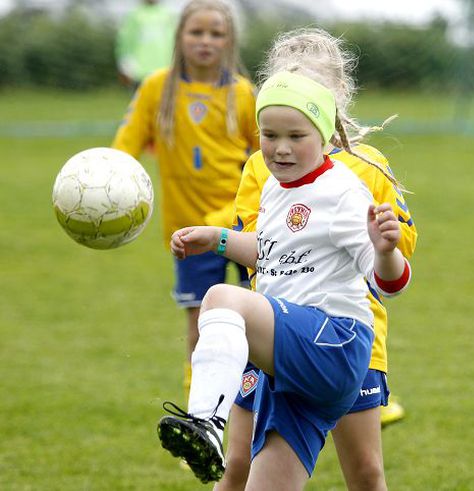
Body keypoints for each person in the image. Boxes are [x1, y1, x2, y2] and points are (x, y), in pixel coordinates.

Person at [157, 70, 412, 488]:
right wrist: (217, 239)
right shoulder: (278, 186)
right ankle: (207, 423)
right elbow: (272, 253)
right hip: (294, 365)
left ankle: (205, 421)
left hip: (335, 342)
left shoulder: (343, 193)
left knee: (223, 297)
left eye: (296, 136)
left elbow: (391, 284)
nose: (280, 148)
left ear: (327, 135)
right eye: (269, 135)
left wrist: (386, 251)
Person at [214, 27, 418, 491]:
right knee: (238, 463)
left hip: (351, 339)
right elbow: (262, 255)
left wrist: (382, 245)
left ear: (338, 96)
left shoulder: (367, 167)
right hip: (277, 327)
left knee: (365, 472)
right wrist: (218, 240)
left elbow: (398, 255)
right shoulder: (263, 167)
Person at [112, 0, 259, 400]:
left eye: (217, 33)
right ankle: (199, 419)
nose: (206, 41)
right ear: (180, 37)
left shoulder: (243, 94)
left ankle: (258, 411)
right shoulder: (157, 89)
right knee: (200, 323)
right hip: (189, 231)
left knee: (259, 325)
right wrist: (108, 181)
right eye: (197, 32)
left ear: (230, 41)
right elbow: (124, 149)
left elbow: (266, 161)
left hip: (244, 224)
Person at [115, 0, 177, 87]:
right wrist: (125, 67)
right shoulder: (134, 15)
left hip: (164, 71)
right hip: (140, 73)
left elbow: (174, 42)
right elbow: (125, 43)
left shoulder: (167, 15)